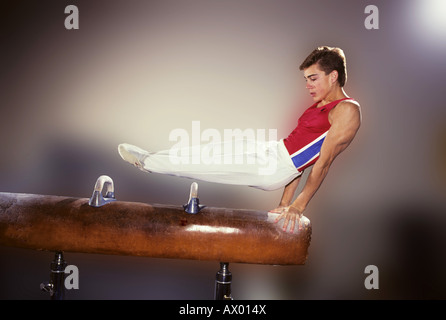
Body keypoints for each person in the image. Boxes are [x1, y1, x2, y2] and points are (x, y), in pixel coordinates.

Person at [118, 46, 361, 233]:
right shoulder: (320, 105)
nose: (307, 85)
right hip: (272, 152)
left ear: (333, 76)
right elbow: (302, 158)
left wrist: (298, 206)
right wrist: (285, 203)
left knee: (208, 165)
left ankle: (147, 163)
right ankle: (151, 157)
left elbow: (322, 163)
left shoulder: (347, 111)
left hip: (275, 167)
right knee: (211, 151)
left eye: (313, 78)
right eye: (306, 79)